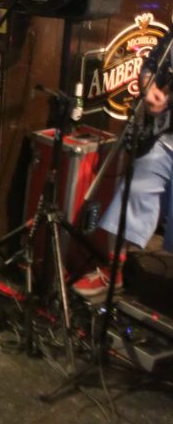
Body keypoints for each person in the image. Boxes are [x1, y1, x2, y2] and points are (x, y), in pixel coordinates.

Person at [72, 32, 172, 299]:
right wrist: (149, 88)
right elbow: (152, 64)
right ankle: (113, 270)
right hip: (166, 139)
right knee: (133, 191)